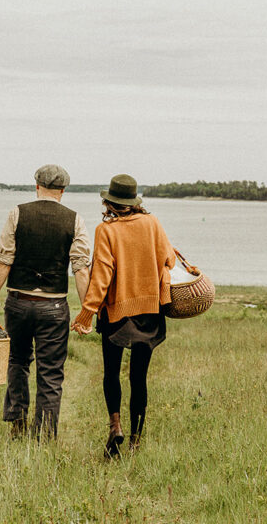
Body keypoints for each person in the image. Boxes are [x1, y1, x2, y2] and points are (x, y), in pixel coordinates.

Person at [0, 164, 91, 439]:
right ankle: (44, 435)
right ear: (62, 191)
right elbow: (81, 268)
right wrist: (87, 310)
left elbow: (3, 261)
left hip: (18, 302)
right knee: (51, 372)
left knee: (17, 361)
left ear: (36, 186)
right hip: (54, 307)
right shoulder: (75, 220)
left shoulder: (17, 213)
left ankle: (17, 424)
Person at [71, 173, 175, 457]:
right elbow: (170, 259)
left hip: (116, 313)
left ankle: (115, 425)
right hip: (149, 312)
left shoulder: (105, 231)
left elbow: (102, 275)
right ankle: (136, 440)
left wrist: (86, 313)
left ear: (109, 202)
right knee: (139, 377)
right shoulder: (153, 223)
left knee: (111, 373)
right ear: (133, 201)